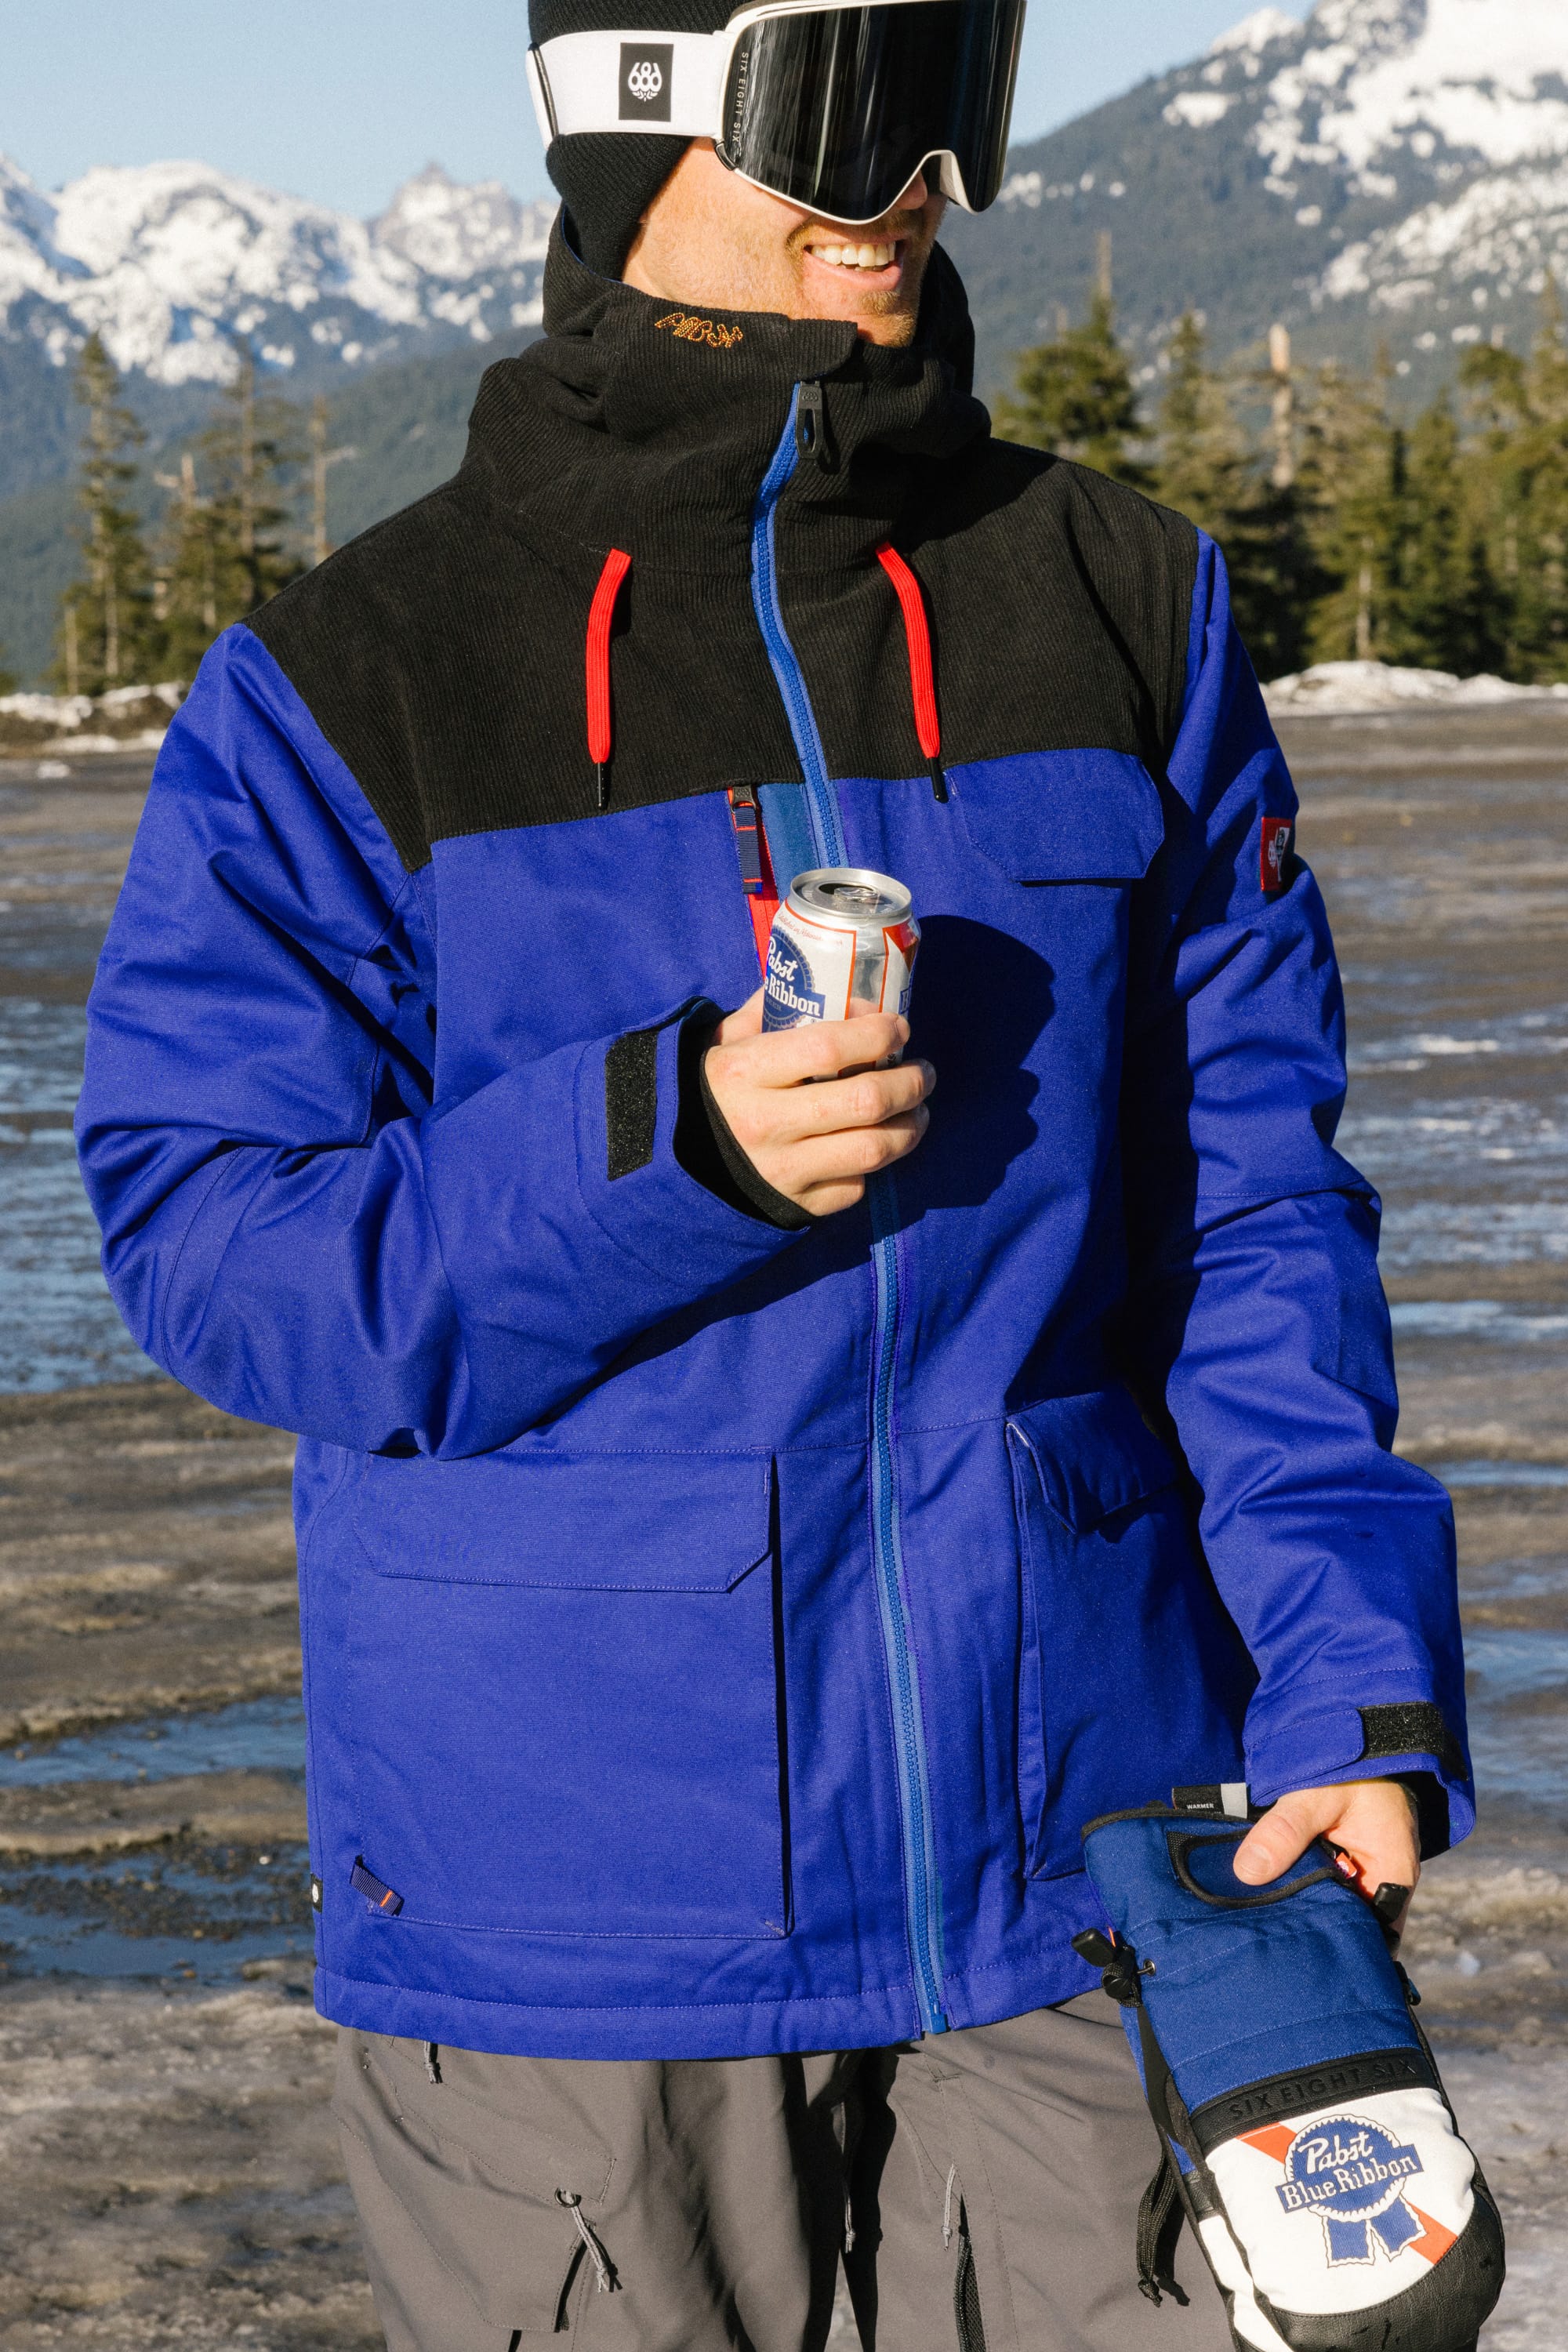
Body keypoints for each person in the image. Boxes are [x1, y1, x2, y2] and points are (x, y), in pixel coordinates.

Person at [75, 0, 1471, 2343]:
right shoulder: (358, 676)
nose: (919, 161)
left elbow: (1258, 1217)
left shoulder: (1124, 599)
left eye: (968, 81)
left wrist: (1346, 1680)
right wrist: (661, 1150)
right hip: (576, 1899)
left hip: (1096, 1856)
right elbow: (209, 1238)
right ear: (638, 116)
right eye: (859, 79)